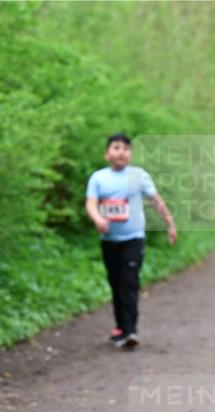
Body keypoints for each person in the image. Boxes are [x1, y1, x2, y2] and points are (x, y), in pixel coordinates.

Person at [85, 133, 176, 349]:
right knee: (115, 284)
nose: (121, 152)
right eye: (116, 148)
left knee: (129, 283)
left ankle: (130, 331)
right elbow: (90, 204)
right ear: (107, 153)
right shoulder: (98, 178)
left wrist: (169, 223)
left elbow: (156, 200)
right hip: (109, 240)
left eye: (125, 148)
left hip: (133, 239)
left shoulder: (138, 175)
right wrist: (98, 218)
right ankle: (120, 328)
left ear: (130, 154)